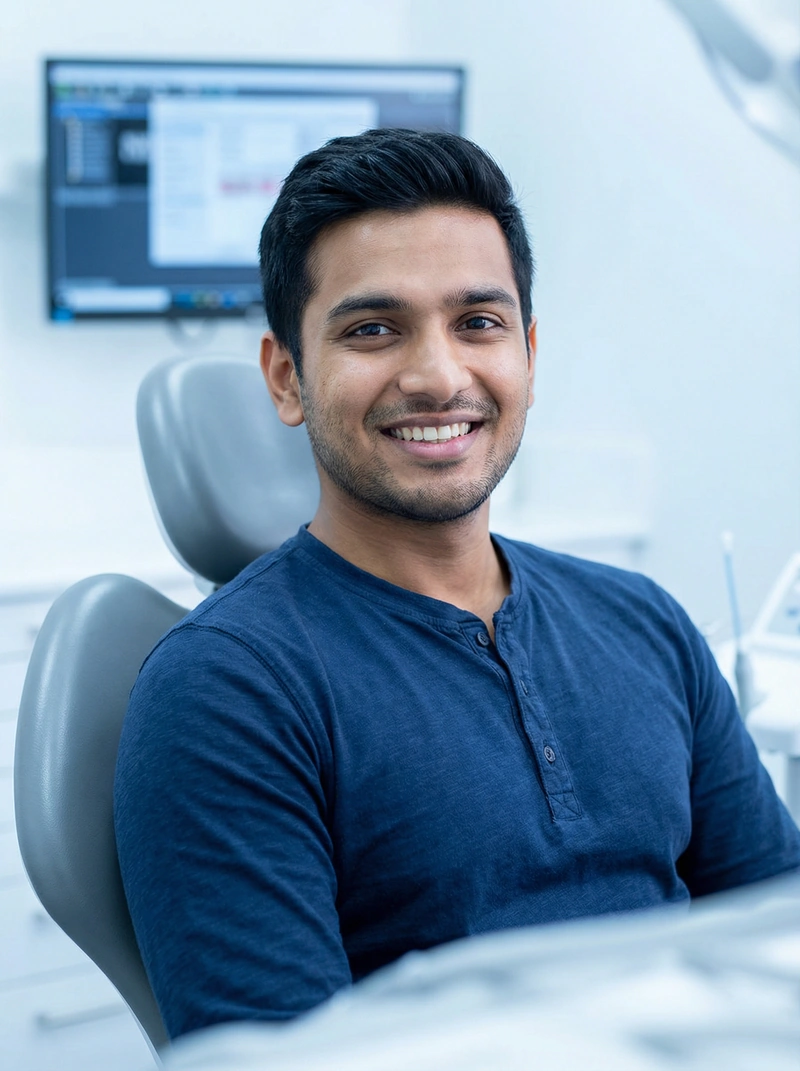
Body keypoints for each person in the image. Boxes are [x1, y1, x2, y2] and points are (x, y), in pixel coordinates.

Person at [114, 128, 800, 1041]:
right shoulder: (227, 691)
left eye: (478, 322)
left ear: (527, 350)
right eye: (372, 329)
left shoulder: (643, 623)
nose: (440, 376)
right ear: (287, 378)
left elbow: (775, 942)